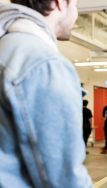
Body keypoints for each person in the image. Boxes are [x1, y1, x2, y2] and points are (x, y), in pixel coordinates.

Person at [0, 1, 92, 187]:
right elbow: (65, 178)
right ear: (59, 3)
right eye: (74, 3)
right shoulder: (43, 63)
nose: (76, 12)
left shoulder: (6, 47)